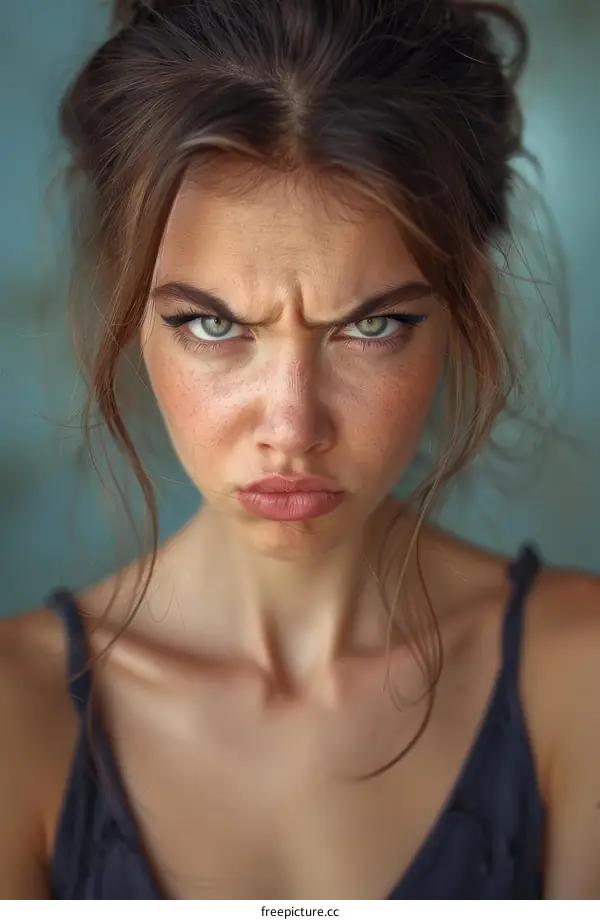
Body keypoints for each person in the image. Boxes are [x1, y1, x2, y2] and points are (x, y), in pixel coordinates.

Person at [1, 0, 599, 901]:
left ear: (463, 302)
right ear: (130, 310)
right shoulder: (19, 714)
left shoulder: (578, 677)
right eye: (212, 323)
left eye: (372, 325)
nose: (292, 425)